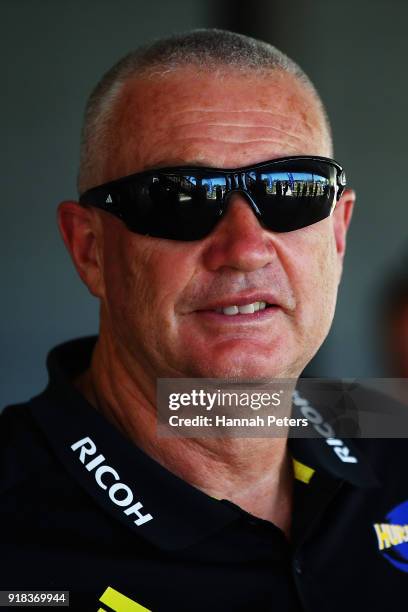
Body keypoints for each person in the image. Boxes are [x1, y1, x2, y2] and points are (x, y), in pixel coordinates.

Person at [1, 29, 407, 612]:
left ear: (337, 234)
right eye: (180, 198)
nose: (245, 248)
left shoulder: (384, 416)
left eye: (291, 190)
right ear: (90, 249)